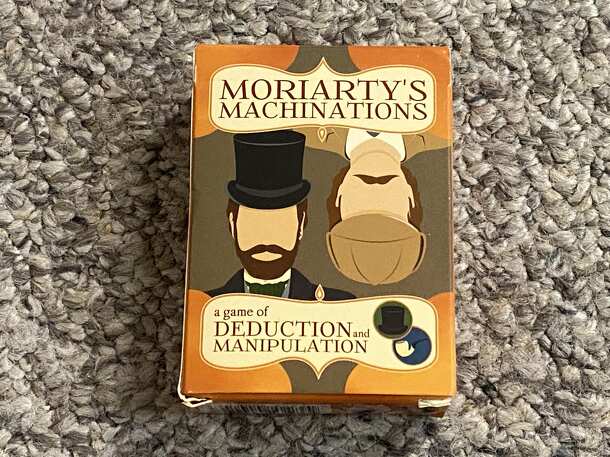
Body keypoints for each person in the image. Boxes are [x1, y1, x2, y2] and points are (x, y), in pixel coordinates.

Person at [207, 129, 353, 301]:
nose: (266, 237)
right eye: (254, 223)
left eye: (280, 223)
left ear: (301, 223)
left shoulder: (339, 304)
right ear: (233, 223)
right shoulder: (205, 302)